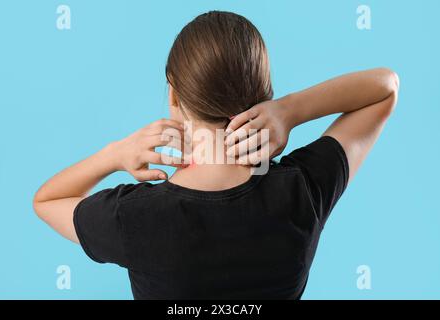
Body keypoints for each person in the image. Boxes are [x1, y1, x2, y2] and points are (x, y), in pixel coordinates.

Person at [33, 11, 399, 299]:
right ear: (263, 93)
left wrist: (115, 154)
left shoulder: (133, 217)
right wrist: (291, 110)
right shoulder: (303, 191)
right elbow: (385, 87)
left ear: (174, 97)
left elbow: (48, 200)